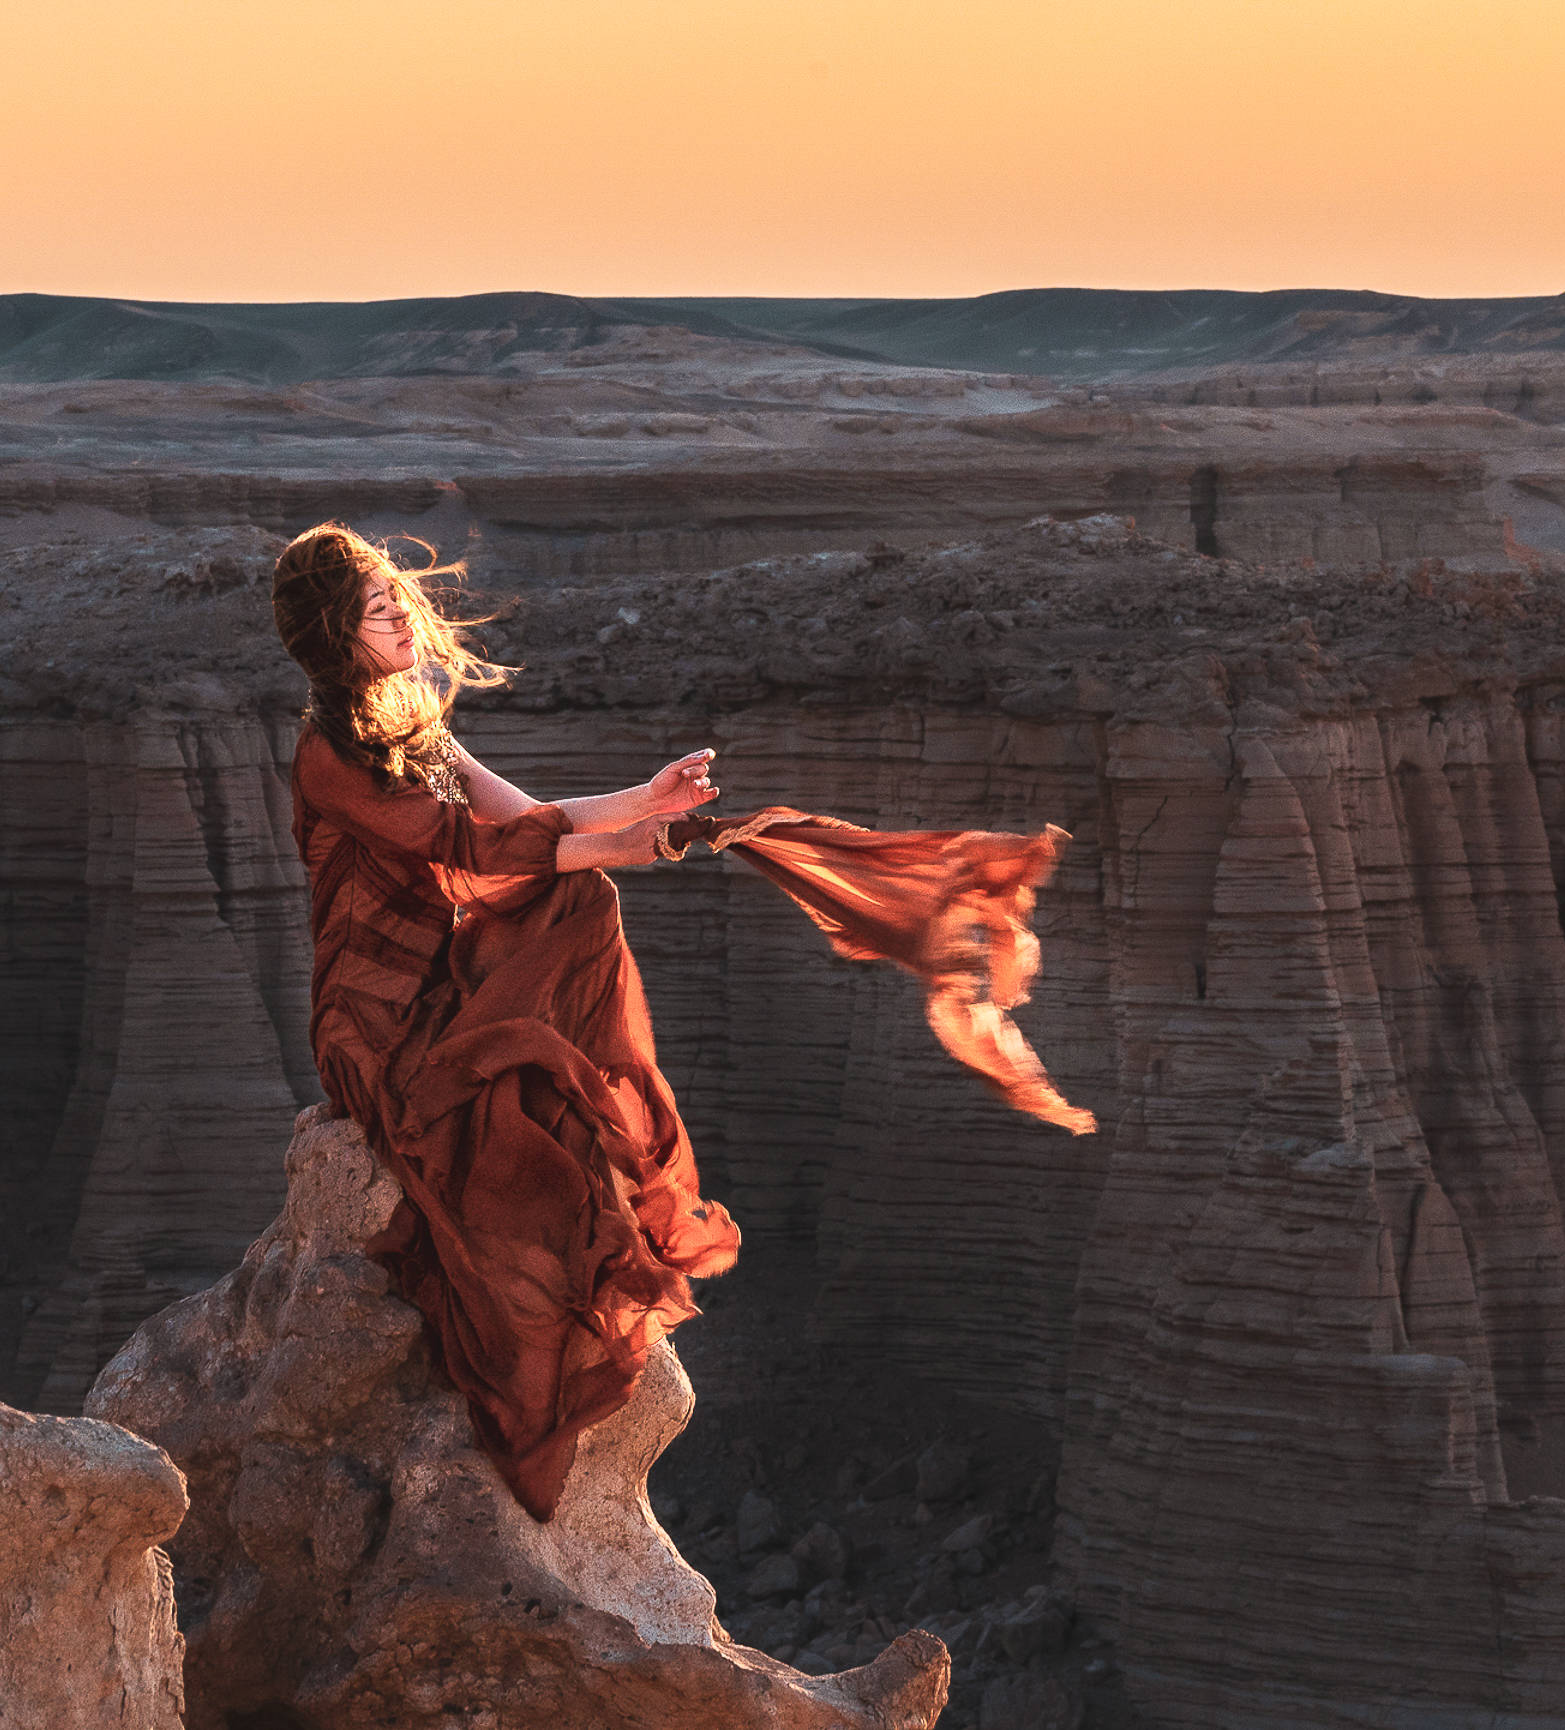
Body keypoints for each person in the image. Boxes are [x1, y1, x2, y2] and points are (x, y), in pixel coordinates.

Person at [271, 522, 1092, 1521]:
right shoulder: (329, 753)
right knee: (565, 920)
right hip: (375, 1016)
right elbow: (475, 847)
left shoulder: (412, 715)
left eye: (397, 592)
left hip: (444, 972)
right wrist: (641, 844)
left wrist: (644, 803)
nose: (401, 611)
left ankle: (576, 1098)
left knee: (580, 903)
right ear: (330, 633)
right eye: (375, 606)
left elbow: (525, 812)